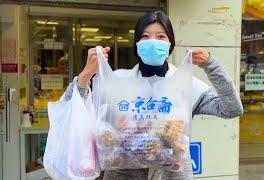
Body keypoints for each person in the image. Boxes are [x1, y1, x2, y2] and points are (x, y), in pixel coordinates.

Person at [65, 11, 243, 180]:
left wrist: (211, 66)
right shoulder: (118, 82)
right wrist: (85, 75)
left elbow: (232, 109)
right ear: (137, 43)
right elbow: (71, 110)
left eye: (161, 36)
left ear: (170, 44)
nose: (153, 42)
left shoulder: (185, 84)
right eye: (145, 36)